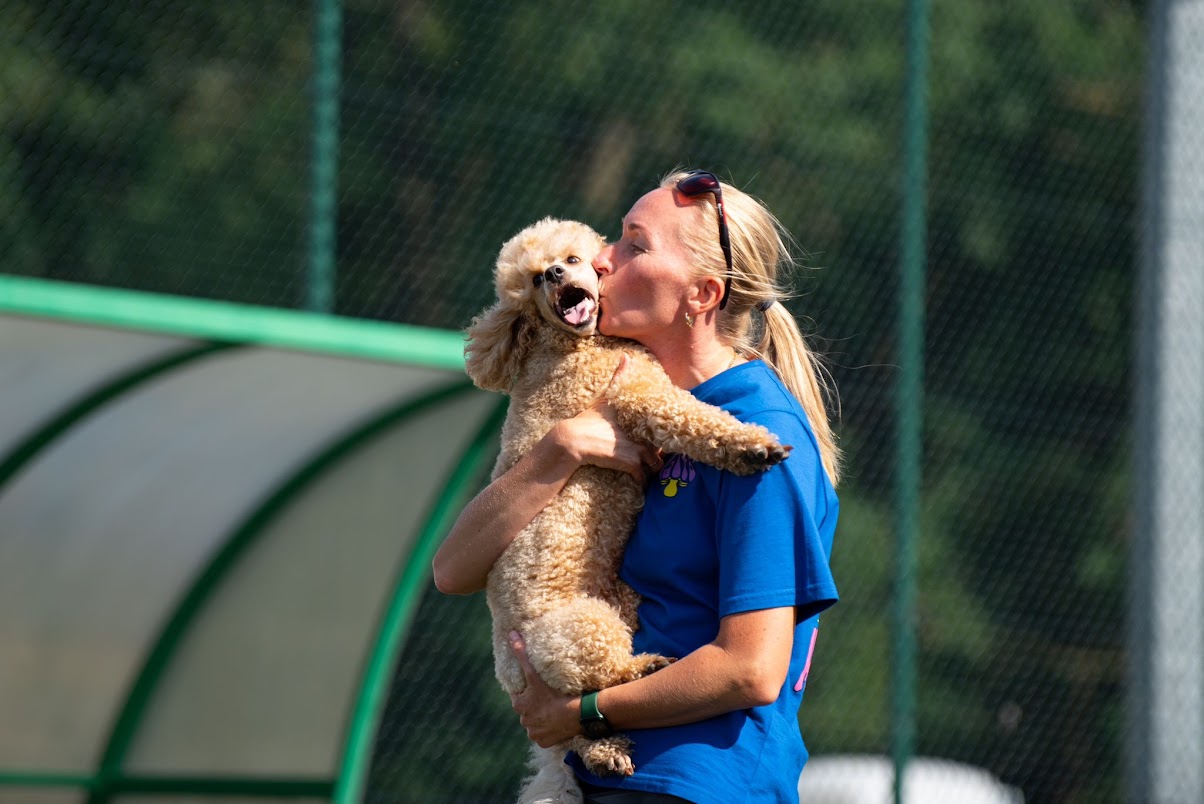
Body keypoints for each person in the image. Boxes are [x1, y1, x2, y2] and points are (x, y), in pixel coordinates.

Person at [433, 169, 841, 804]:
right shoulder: (614, 409)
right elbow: (453, 568)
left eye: (633, 244)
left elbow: (751, 669)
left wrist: (583, 713)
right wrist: (559, 450)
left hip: (699, 782)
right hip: (615, 776)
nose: (601, 258)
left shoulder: (759, 432)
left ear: (701, 294)